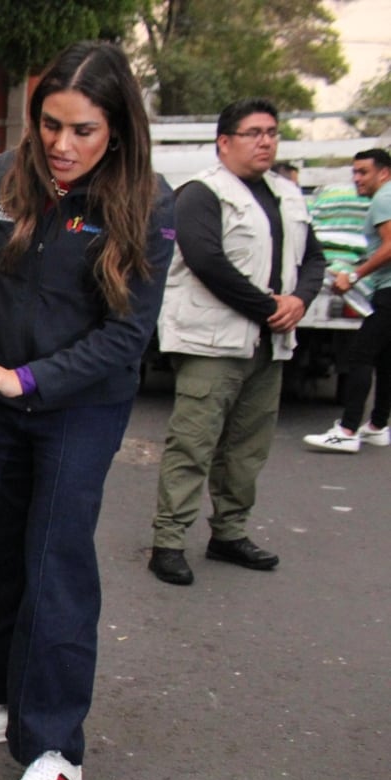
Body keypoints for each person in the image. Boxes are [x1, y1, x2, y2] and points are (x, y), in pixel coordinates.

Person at [0, 42, 175, 780]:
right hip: (4, 400)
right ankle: (8, 697)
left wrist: (22, 377)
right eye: (50, 126)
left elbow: (122, 340)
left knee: (54, 564)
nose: (62, 147)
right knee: (0, 552)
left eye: (84, 131)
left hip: (79, 407)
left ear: (119, 131)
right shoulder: (7, 179)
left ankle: (57, 750)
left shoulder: (149, 203)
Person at [148, 98, 326, 585]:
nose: (265, 140)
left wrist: (301, 301)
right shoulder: (202, 194)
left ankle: (229, 533)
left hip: (268, 345)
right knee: (193, 444)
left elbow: (314, 259)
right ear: (224, 142)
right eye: (253, 132)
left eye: (271, 131)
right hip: (212, 342)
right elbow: (207, 262)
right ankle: (168, 541)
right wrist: (271, 307)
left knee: (248, 446)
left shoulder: (288, 195)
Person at [303, 148, 391, 453]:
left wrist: (353, 275)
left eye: (363, 172)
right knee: (384, 358)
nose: (357, 179)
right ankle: (378, 425)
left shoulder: (383, 198)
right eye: (354, 172)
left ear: (383, 172)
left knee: (360, 355)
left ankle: (348, 430)